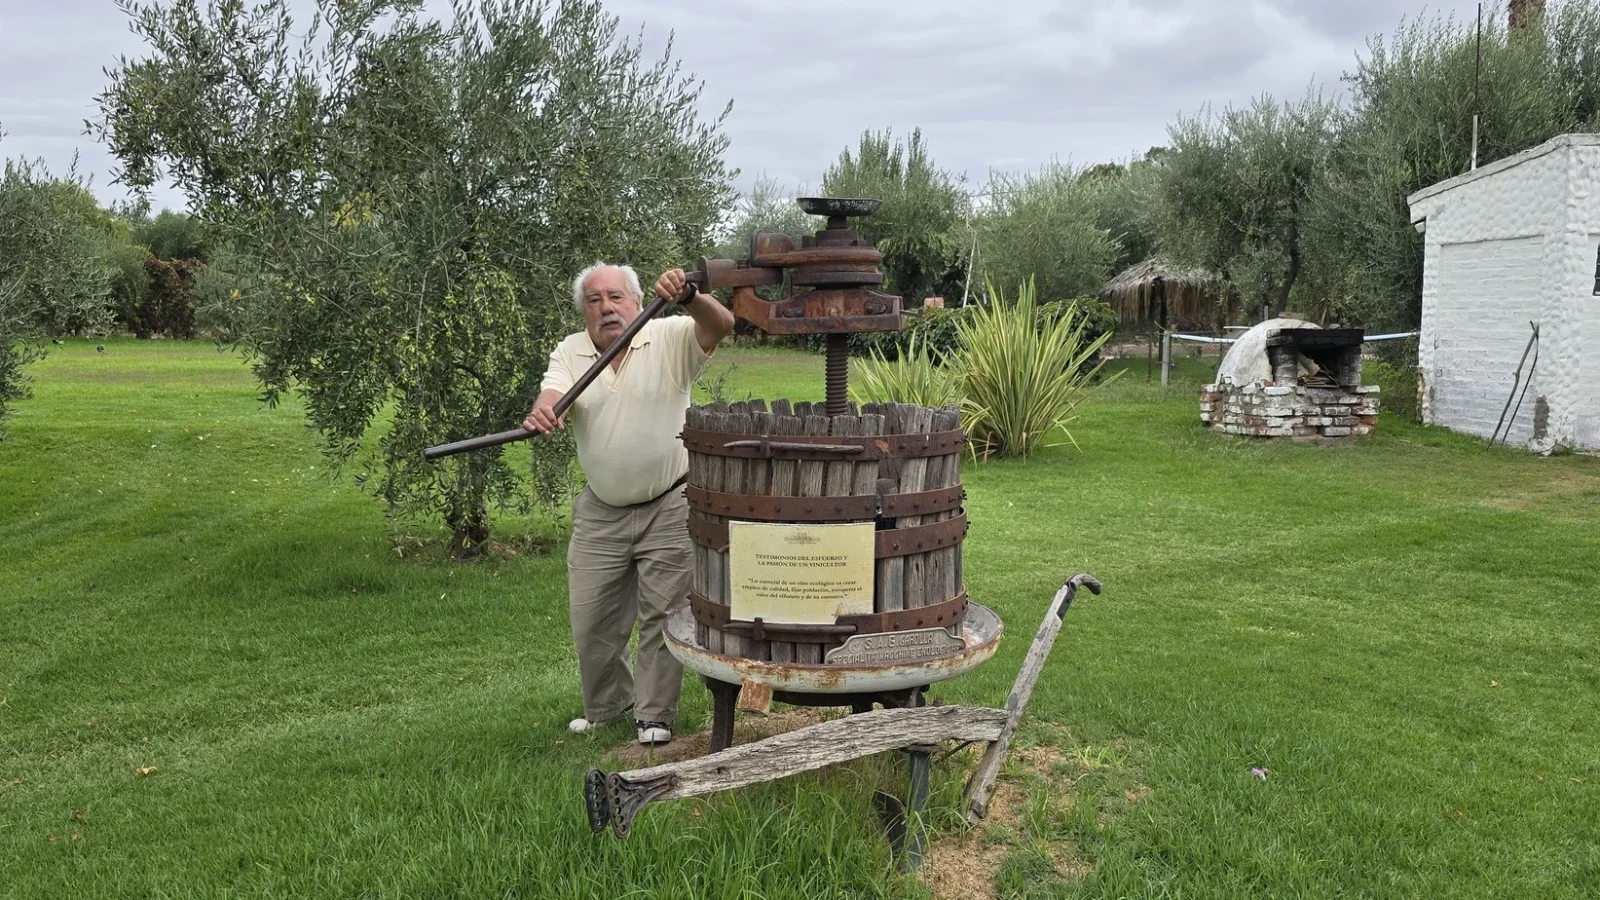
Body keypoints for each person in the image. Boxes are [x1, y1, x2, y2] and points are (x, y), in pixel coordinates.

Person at [524, 262, 734, 745]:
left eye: (616, 297)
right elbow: (552, 393)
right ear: (584, 312)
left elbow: (722, 325)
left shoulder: (670, 335)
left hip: (670, 501)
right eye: (594, 301)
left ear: (638, 302)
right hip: (601, 506)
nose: (606, 308)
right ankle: (606, 708)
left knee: (663, 610)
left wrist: (691, 297)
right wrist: (544, 409)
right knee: (592, 614)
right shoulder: (571, 351)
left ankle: (654, 716)